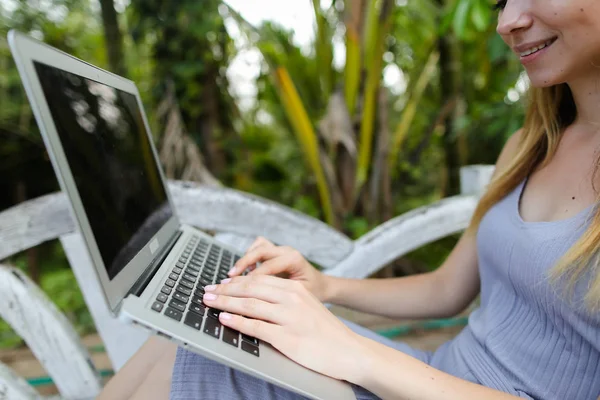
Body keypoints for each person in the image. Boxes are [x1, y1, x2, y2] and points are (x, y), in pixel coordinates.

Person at [98, 0, 600, 398]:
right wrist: (324, 287)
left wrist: (350, 352)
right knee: (179, 347)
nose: (509, 20)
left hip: (413, 382)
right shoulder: (529, 147)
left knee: (175, 376)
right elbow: (447, 289)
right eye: (501, 1)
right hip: (428, 376)